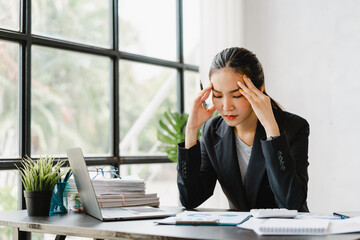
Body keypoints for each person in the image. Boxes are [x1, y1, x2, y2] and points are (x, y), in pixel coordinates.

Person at [177, 47, 309, 211]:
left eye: (237, 95)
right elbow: (190, 199)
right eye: (217, 95)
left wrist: (271, 129)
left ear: (259, 89)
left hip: (286, 234)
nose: (226, 107)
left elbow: (291, 203)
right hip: (239, 234)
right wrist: (191, 130)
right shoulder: (212, 130)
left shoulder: (293, 128)